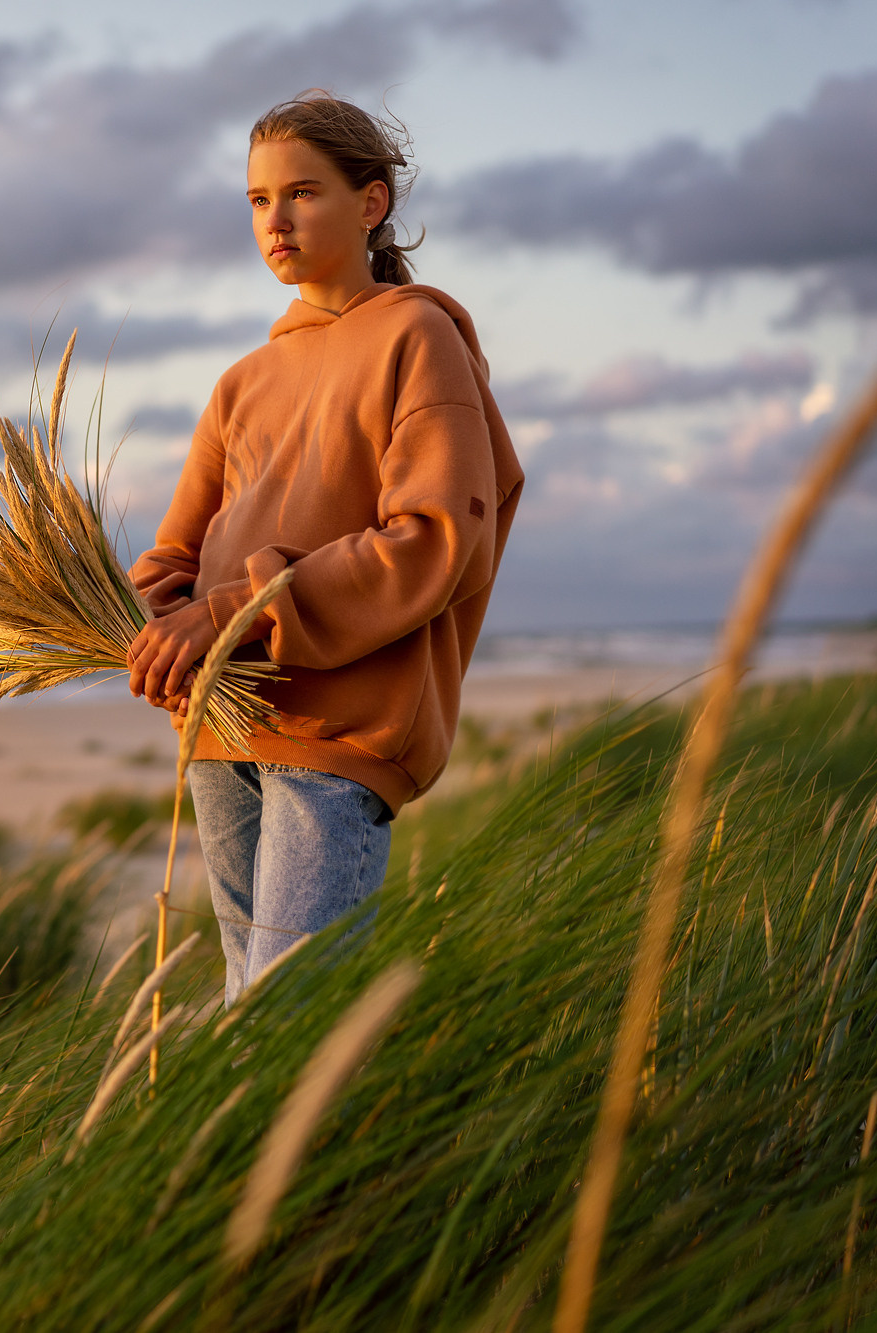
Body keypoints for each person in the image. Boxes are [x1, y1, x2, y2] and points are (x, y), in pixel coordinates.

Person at [125, 92, 525, 1003]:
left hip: (339, 737)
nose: (276, 220)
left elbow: (433, 541)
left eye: (302, 193)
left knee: (285, 1013)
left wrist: (229, 614)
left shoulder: (418, 337)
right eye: (258, 200)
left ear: (371, 202)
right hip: (224, 730)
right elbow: (172, 558)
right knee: (244, 1014)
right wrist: (155, 632)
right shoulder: (242, 381)